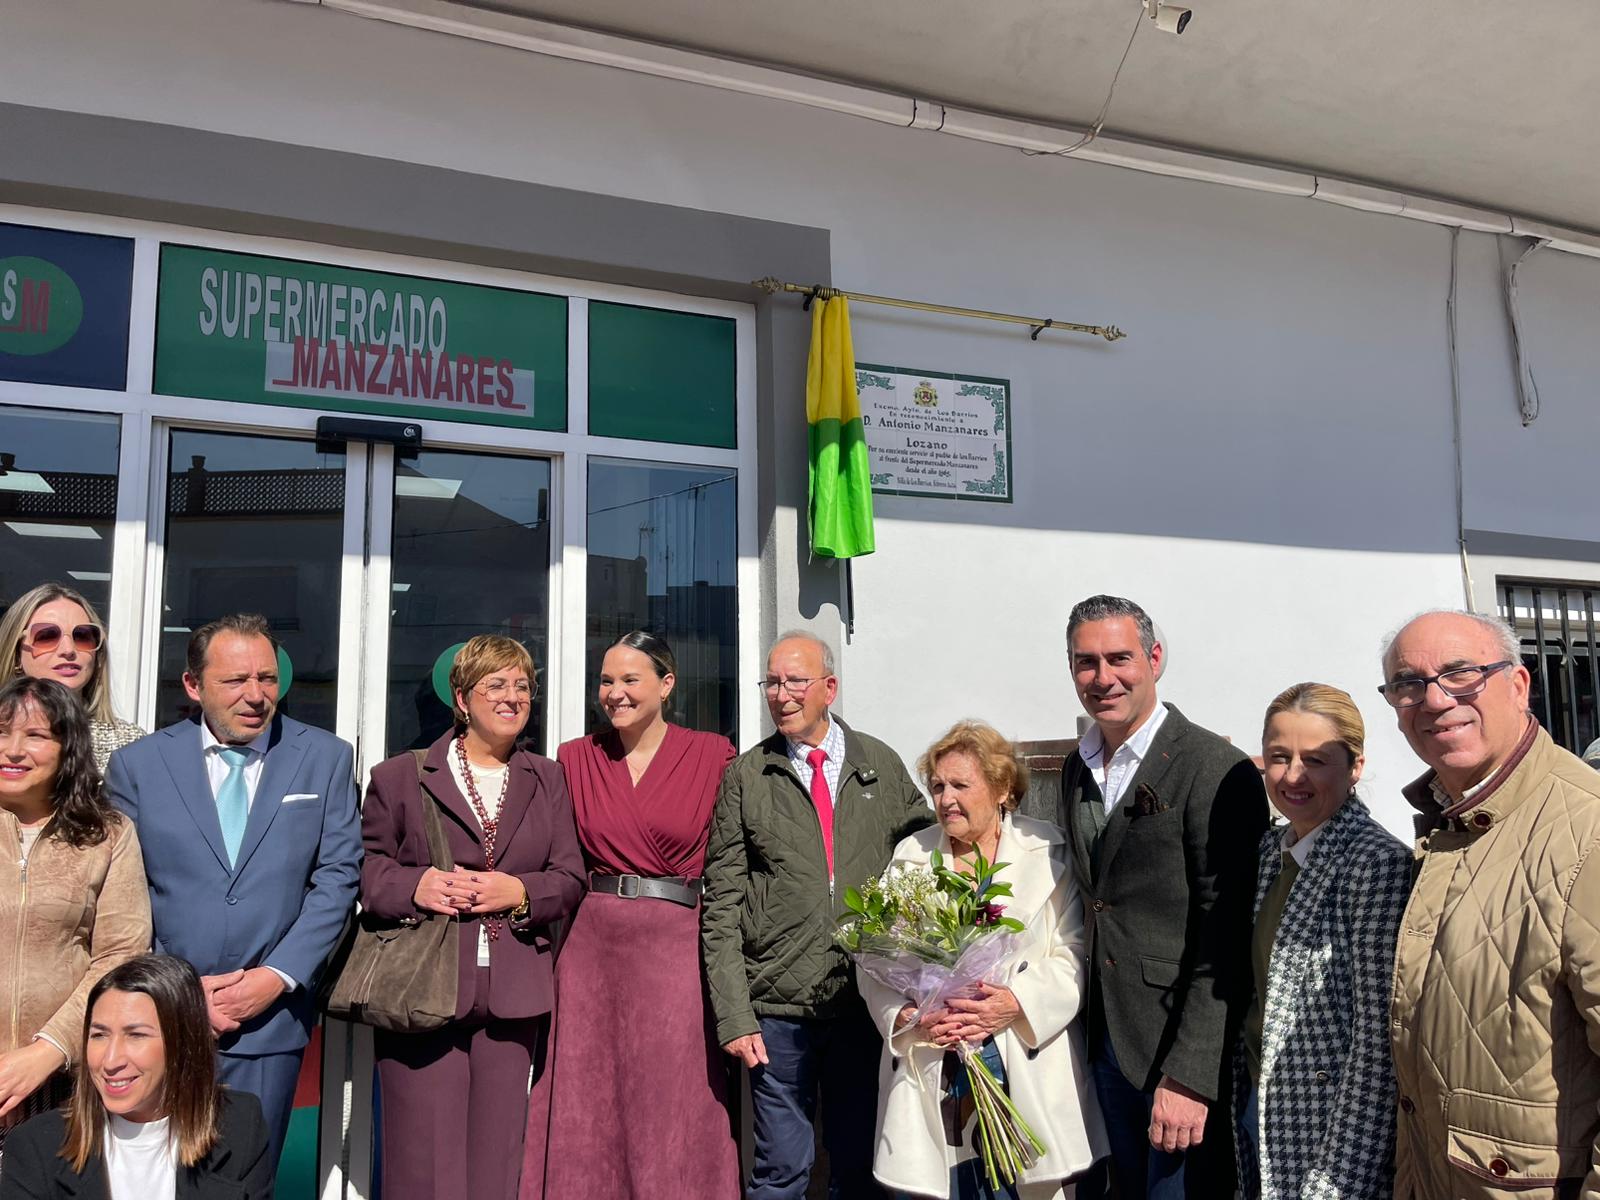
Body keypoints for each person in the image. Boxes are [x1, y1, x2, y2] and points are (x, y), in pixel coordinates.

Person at [105, 613, 361, 1168]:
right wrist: (175, 988)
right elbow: (121, 893)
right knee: (153, 1177)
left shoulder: (325, 758)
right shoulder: (138, 766)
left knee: (247, 1177)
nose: (256, 695)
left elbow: (338, 878)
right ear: (194, 686)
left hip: (269, 1021)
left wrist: (276, 978)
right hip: (161, 1018)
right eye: (236, 681)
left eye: (267, 679)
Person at [702, 630, 933, 1200]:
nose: (780, 694)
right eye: (772, 682)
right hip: (777, 1009)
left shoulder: (878, 762)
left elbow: (924, 864)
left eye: (794, 681)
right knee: (781, 1170)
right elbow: (721, 904)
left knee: (861, 1164)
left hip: (864, 1000)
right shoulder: (747, 776)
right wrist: (734, 1015)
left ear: (829, 687)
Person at [1381, 610, 1600, 1200]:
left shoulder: (1588, 830)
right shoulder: (1451, 824)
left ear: (1519, 685)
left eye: (1461, 674)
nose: (1433, 699)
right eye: (1408, 684)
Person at [1055, 595, 1267, 1200]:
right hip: (1104, 1041)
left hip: (1175, 1050)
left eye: (1118, 658)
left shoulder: (1213, 767)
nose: (1103, 678)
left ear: (1154, 658)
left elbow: (1224, 935)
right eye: (1085, 663)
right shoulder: (1077, 767)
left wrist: (1191, 1076)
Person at [361, 635, 584, 1200]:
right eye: (496, 686)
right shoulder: (398, 777)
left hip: (514, 992)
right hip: (422, 988)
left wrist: (519, 890)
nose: (513, 698)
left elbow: (569, 877)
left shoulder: (548, 777)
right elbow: (364, 871)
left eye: (522, 686)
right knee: (422, 1166)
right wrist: (419, 884)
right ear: (461, 698)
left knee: (497, 1164)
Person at [530, 632, 739, 1198]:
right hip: (590, 947)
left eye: (630, 680)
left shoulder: (712, 755)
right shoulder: (575, 758)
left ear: (666, 685)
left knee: (674, 1093)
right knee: (588, 1092)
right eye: (606, 680)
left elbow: (731, 863)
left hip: (676, 944)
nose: (614, 693)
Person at [862, 721, 1106, 1200]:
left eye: (960, 785)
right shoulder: (912, 855)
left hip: (1025, 1057)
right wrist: (909, 1018)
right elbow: (874, 959)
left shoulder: (1048, 850)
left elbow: (1074, 952)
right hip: (937, 1062)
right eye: (937, 786)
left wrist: (1016, 1003)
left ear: (1002, 790)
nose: (945, 798)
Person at [1233, 683, 1411, 1199]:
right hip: (1261, 1110)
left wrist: (1338, 1181)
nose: (1293, 775)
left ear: (1355, 766)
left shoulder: (1376, 864)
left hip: (1329, 1134)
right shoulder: (1272, 850)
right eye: (1279, 757)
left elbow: (1377, 1050)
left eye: (1316, 759)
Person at [0, 677, 151, 1162]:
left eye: (36, 736)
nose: (14, 750)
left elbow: (121, 952)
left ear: (68, 747)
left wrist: (46, 1051)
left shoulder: (106, 834)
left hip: (63, 1082)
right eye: (1, 732)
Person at [0, 954, 274, 1200]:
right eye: (99, 1035)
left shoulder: (240, 1124)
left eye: (136, 1035)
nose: (110, 1060)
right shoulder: (35, 1145)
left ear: (182, 1042)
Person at [0, 583, 144, 772]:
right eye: (47, 635)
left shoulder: (131, 744)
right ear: (17, 653)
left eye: (83, 636)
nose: (68, 650)